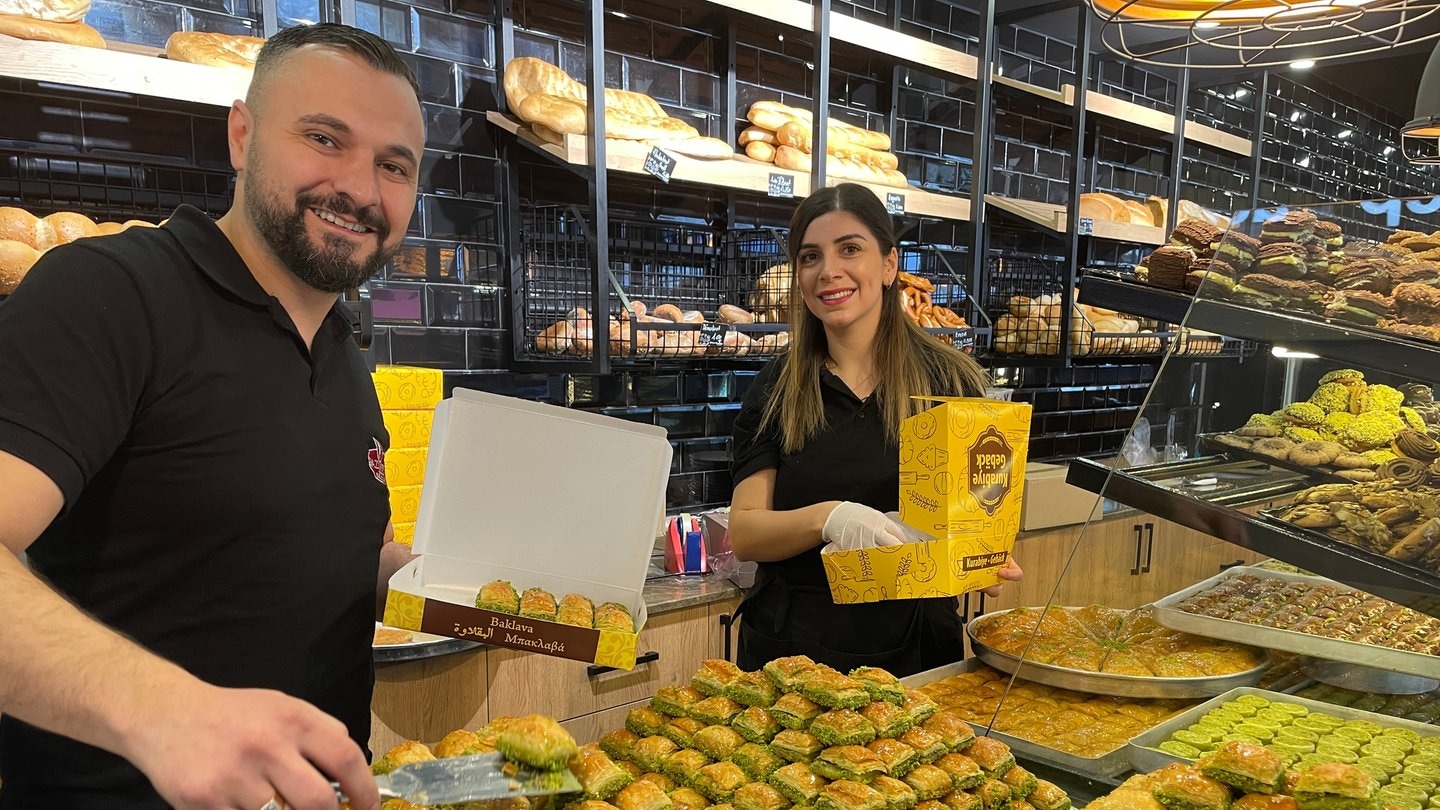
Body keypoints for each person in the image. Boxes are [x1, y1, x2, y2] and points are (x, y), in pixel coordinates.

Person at [0, 23, 426, 810]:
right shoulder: (110, 294)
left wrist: (423, 583)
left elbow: (290, 557)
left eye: (393, 165)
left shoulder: (341, 348)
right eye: (325, 138)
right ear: (242, 135)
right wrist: (164, 709)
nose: (362, 190)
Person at [728, 183, 1023, 677]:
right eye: (809, 257)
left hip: (916, 648)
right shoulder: (777, 389)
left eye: (850, 249)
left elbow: (981, 507)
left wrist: (981, 553)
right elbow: (746, 532)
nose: (829, 271)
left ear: (889, 266)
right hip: (793, 651)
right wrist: (830, 518)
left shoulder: (951, 379)